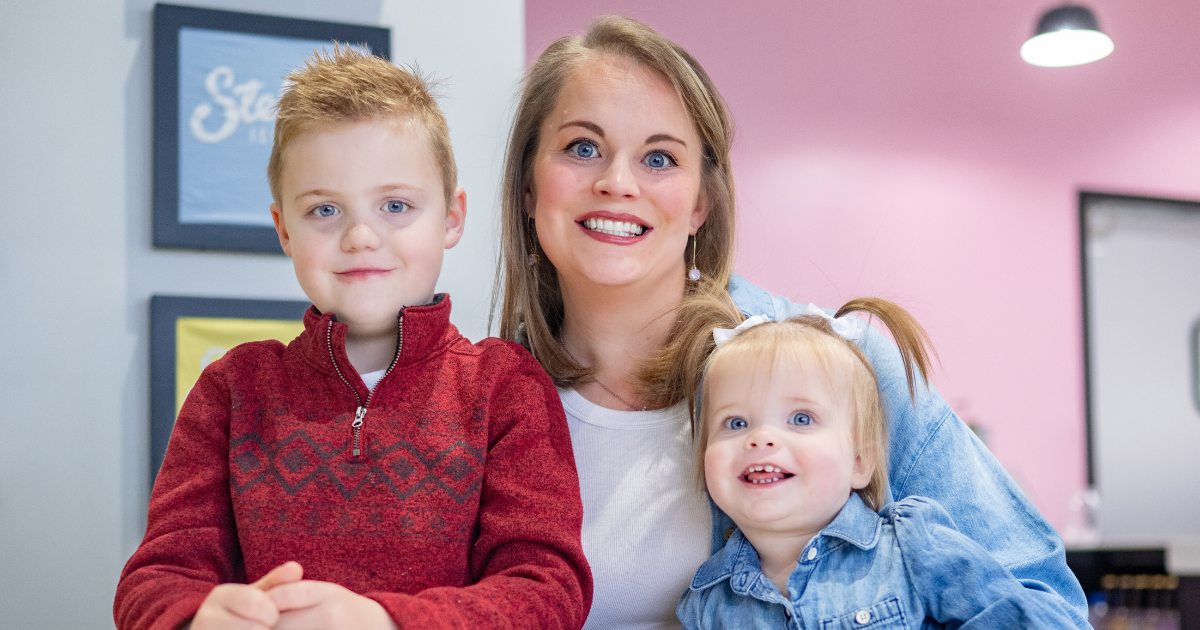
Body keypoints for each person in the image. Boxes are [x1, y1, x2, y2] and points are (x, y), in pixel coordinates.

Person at [493, 15, 1088, 629]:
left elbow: (1046, 606)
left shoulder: (836, 365)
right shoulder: (478, 404)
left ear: (701, 203)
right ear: (530, 187)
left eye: (660, 158)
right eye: (582, 148)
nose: (618, 182)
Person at [115, 48, 591, 630]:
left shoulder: (505, 386)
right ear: (283, 228)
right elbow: (154, 579)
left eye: (395, 205)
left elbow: (548, 591)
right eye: (324, 210)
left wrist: (385, 621)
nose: (361, 236)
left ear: (451, 217)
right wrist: (197, 615)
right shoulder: (233, 388)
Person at [674, 296, 1083, 628]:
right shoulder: (707, 604)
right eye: (735, 422)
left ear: (859, 460)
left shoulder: (914, 549)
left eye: (801, 419)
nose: (760, 437)